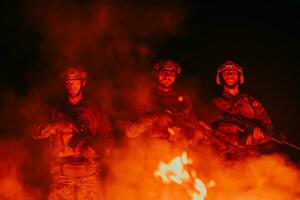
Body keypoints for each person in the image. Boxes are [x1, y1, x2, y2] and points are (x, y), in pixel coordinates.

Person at [31, 66, 113, 200]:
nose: (71, 85)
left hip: (89, 175)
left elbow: (108, 140)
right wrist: (59, 125)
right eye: (68, 82)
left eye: (75, 81)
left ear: (83, 83)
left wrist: (96, 150)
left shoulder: (95, 111)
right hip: (62, 175)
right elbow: (35, 132)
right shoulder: (55, 111)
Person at [201, 61, 273, 159]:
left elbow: (269, 131)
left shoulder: (252, 103)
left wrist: (256, 138)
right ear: (220, 77)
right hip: (219, 160)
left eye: (233, 72)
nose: (230, 75)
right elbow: (202, 131)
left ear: (240, 76)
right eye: (226, 73)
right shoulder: (213, 104)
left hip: (247, 160)